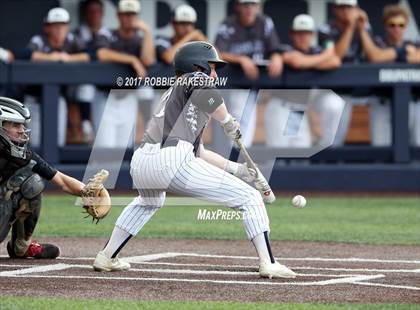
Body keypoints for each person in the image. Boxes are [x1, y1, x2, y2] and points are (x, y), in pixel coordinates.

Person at [92, 41, 296, 279]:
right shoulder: (194, 78)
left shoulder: (178, 93)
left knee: (149, 202)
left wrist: (239, 169)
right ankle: (268, 262)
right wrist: (228, 120)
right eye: (211, 67)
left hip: (143, 162)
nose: (214, 73)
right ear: (197, 65)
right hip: (171, 159)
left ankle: (107, 255)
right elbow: (213, 101)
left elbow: (198, 152)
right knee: (249, 197)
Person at [0, 97, 88, 259]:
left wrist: (88, 193)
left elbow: (61, 181)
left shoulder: (23, 156)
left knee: (32, 182)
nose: (21, 130)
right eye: (14, 125)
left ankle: (22, 246)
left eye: (22, 125)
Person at [265, 14, 343, 147]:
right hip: (281, 107)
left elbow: (335, 61)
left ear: (312, 34)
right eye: (299, 33)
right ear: (291, 34)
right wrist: (324, 57)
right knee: (276, 157)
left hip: (300, 111)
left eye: (306, 33)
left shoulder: (315, 51)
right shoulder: (285, 48)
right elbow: (296, 61)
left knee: (301, 154)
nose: (303, 37)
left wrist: (308, 62)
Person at [214, 0, 283, 147]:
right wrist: (241, 59)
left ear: (258, 6)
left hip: (261, 83)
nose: (249, 8)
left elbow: (274, 48)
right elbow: (217, 52)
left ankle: (243, 160)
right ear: (238, 6)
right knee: (240, 121)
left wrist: (277, 56)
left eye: (253, 4)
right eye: (246, 4)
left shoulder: (264, 22)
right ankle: (239, 160)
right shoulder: (229, 24)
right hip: (238, 83)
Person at [23, 7, 90, 147]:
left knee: (57, 142)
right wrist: (51, 57)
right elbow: (26, 55)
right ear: (48, 27)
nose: (59, 30)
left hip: (58, 98)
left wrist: (68, 58)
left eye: (63, 25)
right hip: (34, 99)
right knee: (34, 143)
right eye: (55, 25)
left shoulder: (71, 40)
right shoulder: (40, 40)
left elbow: (90, 55)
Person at [94, 0, 155, 148]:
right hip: (106, 98)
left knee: (124, 150)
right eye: (125, 14)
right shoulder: (106, 33)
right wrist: (132, 59)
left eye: (132, 14)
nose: (129, 18)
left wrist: (147, 32)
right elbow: (102, 54)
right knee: (105, 150)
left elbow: (148, 60)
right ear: (118, 16)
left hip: (129, 98)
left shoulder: (140, 39)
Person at [357, 4, 420, 146]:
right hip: (381, 101)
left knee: (411, 146)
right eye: (392, 25)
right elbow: (374, 56)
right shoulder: (379, 42)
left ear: (406, 26)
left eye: (401, 25)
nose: (397, 29)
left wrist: (390, 56)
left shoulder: (413, 43)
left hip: (408, 101)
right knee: (380, 146)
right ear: (385, 26)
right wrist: (402, 53)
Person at [318, 0, 369, 146]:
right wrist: (350, 27)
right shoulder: (326, 28)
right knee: (332, 141)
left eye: (349, 7)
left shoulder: (363, 26)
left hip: (358, 90)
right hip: (331, 90)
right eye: (342, 7)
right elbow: (336, 56)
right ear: (335, 9)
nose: (346, 11)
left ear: (357, 9)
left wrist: (363, 29)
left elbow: (373, 55)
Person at [73, 0, 112, 144]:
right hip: (80, 84)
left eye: (97, 11)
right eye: (91, 11)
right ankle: (85, 126)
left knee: (104, 137)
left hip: (104, 89)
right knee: (85, 88)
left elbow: (103, 55)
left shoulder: (108, 33)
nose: (94, 15)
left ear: (102, 13)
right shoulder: (77, 33)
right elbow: (89, 54)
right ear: (85, 14)